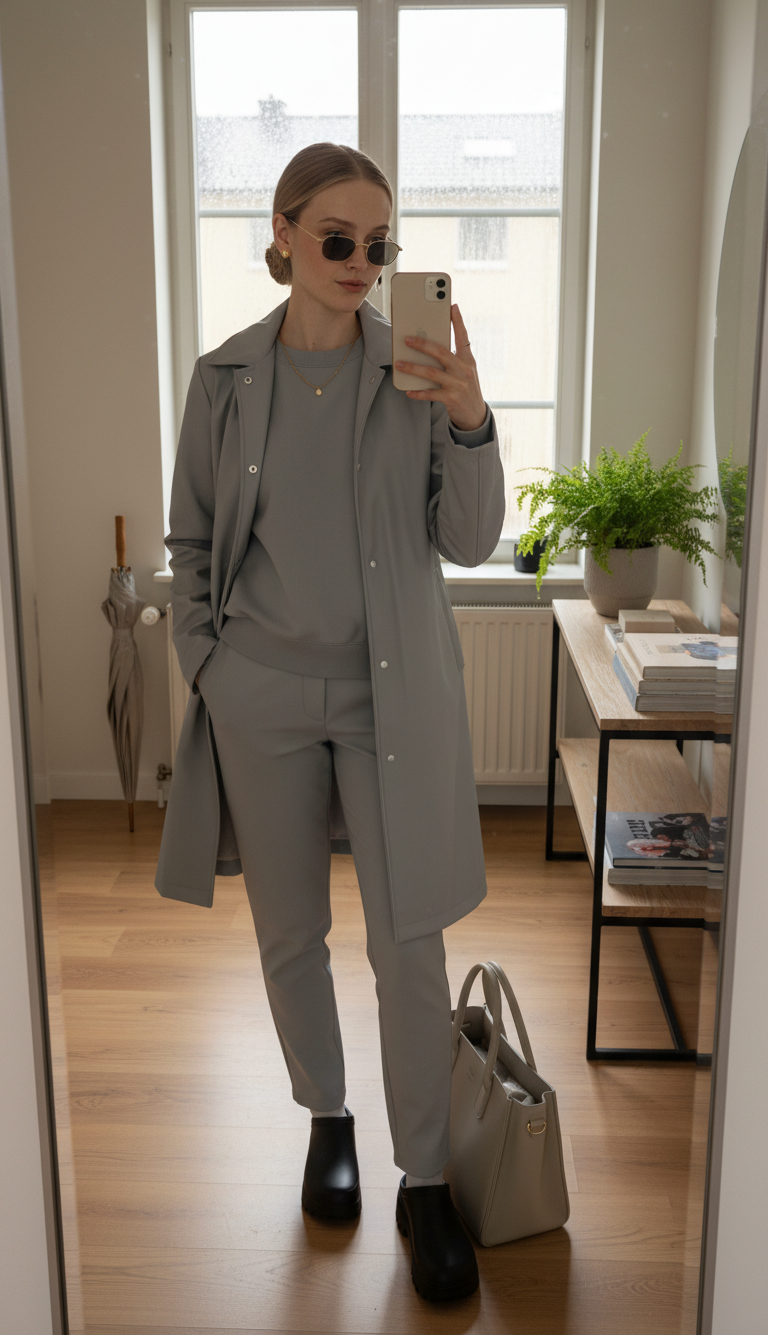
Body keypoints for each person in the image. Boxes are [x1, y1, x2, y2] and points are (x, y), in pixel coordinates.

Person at [157, 142, 505, 1303]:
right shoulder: (224, 380)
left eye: (381, 245)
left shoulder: (411, 373)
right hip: (257, 694)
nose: (362, 263)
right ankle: (326, 1117)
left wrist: (469, 420)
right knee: (288, 934)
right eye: (338, 240)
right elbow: (193, 544)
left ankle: (425, 1181)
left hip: (385, 698)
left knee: (409, 944)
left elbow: (466, 542)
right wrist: (208, 668)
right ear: (286, 234)